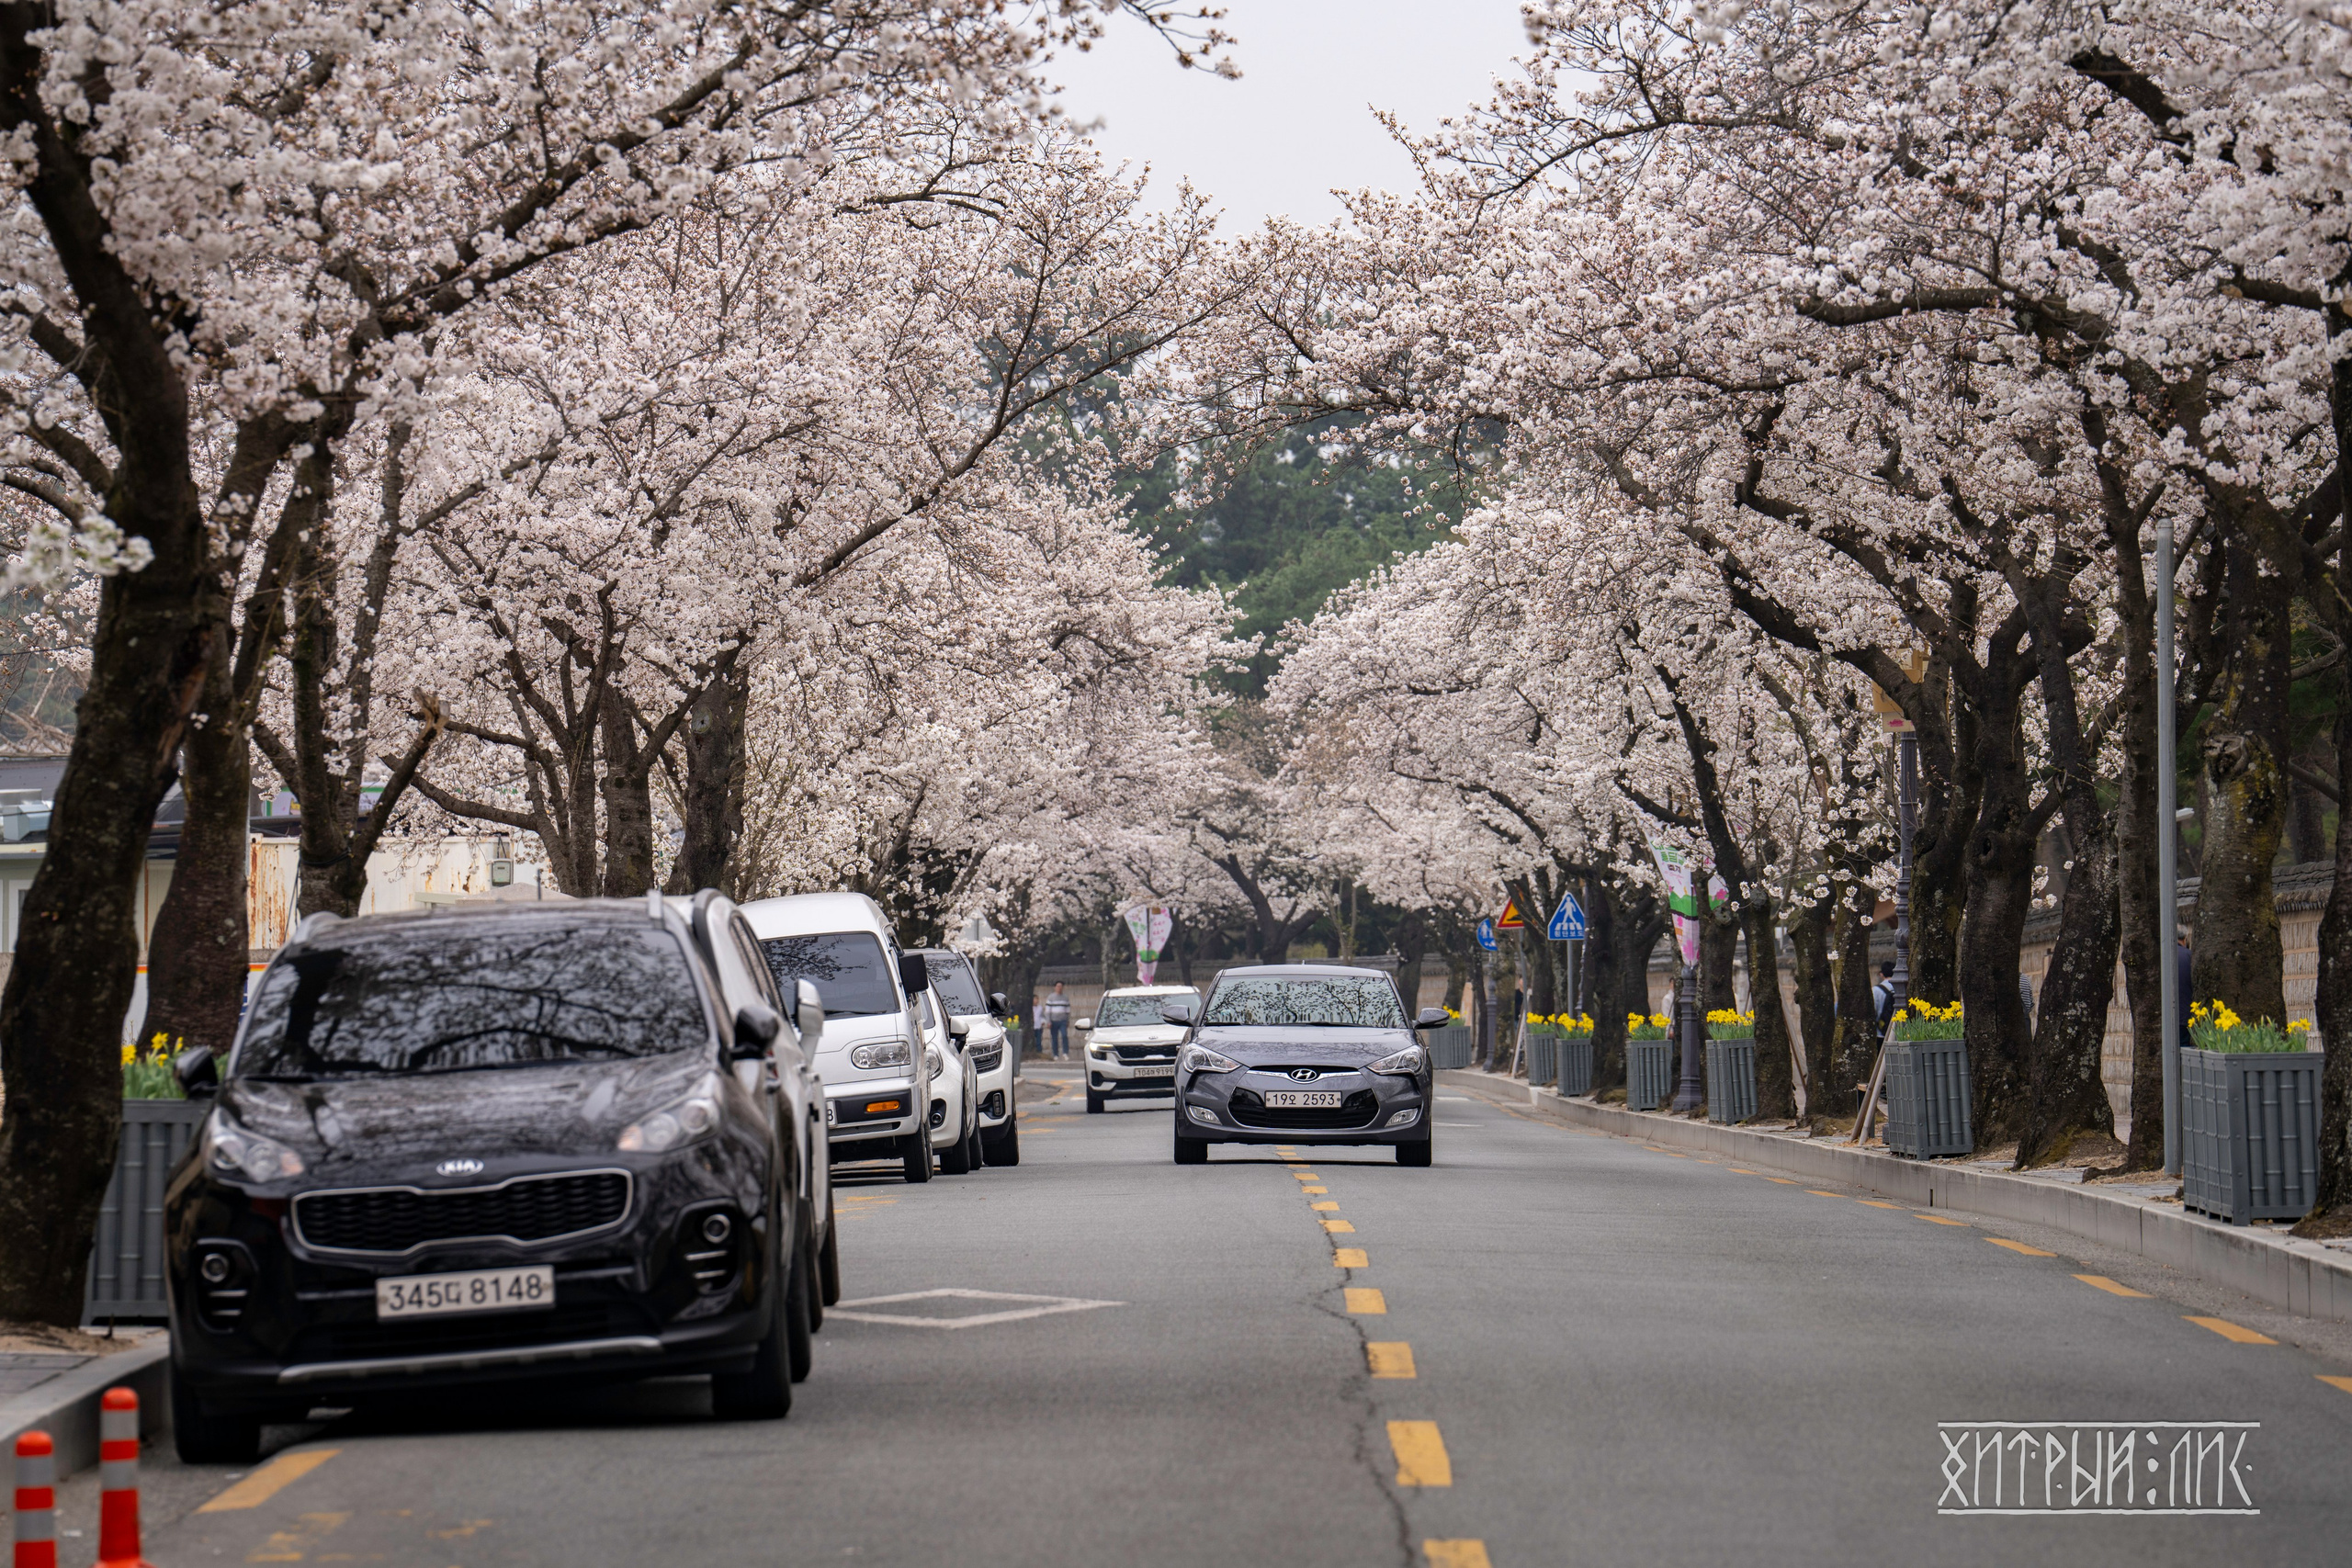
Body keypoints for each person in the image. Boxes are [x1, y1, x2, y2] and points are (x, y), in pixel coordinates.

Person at [1043, 982, 1073, 1060]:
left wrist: (1068, 1020)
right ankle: (1055, 1054)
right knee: (1054, 1038)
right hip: (1053, 1020)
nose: (1059, 988)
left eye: (1061, 986)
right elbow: (1048, 1011)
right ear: (1055, 987)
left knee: (1064, 1035)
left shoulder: (1065, 998)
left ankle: (1065, 1053)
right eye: (1058, 986)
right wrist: (1048, 1021)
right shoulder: (1051, 997)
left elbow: (1068, 1011)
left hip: (1063, 1020)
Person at [1871, 962, 1898, 1038]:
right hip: (1900, 1030)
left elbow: (1873, 1010)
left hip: (1881, 1031)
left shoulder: (1876, 990)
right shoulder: (1902, 987)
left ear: (1881, 974)